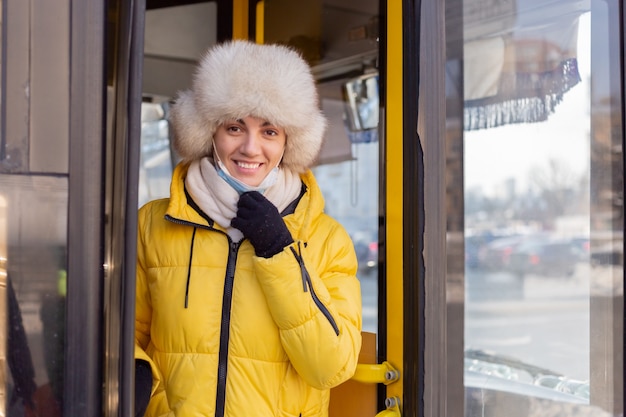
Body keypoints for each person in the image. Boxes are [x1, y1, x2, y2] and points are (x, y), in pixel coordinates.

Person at [134, 40, 362, 417]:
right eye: (235, 128)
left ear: (289, 142)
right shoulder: (154, 224)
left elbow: (331, 367)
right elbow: (122, 337)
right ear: (209, 132)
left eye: (269, 131)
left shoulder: (328, 240)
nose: (251, 148)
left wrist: (279, 250)